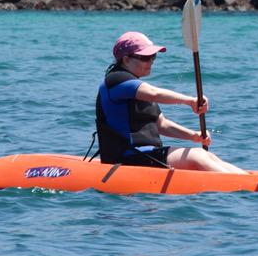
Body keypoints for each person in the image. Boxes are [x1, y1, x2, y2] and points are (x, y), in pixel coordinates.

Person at [95, 31, 245, 173]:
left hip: (147, 155)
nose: (151, 61)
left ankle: (247, 180)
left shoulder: (135, 88)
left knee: (207, 156)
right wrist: (190, 101)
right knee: (196, 156)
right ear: (126, 59)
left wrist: (193, 136)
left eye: (153, 56)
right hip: (127, 158)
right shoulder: (116, 80)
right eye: (145, 57)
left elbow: (162, 125)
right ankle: (242, 187)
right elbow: (155, 93)